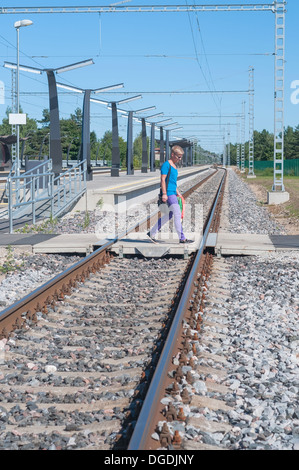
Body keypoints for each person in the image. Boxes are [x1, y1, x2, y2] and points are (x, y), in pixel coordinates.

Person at [147, 145, 194, 244]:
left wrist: (178, 193)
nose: (180, 159)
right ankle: (182, 238)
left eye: (181, 157)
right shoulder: (166, 165)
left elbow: (172, 182)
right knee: (177, 214)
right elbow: (163, 180)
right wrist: (164, 194)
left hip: (173, 193)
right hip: (168, 194)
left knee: (169, 215)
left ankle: (151, 233)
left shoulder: (174, 166)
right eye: (178, 157)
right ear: (172, 154)